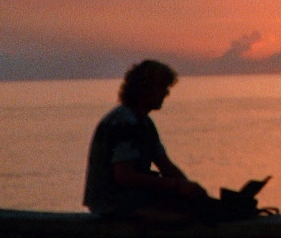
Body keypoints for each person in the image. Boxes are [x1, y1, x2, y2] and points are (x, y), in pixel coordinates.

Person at [83, 60, 208, 222]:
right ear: (145, 89)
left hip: (131, 198)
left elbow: (165, 165)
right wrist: (176, 185)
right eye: (162, 87)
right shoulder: (124, 124)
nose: (166, 93)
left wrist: (191, 188)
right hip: (112, 203)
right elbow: (124, 176)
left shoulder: (144, 123)